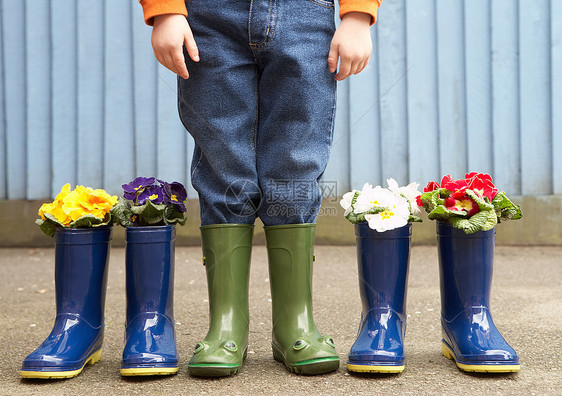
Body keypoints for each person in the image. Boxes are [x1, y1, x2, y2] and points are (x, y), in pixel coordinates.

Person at [139, 0, 382, 377]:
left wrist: (358, 14)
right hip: (208, 16)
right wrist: (165, 9)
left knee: (295, 164)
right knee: (222, 165)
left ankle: (294, 325)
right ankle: (226, 327)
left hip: (304, 14)